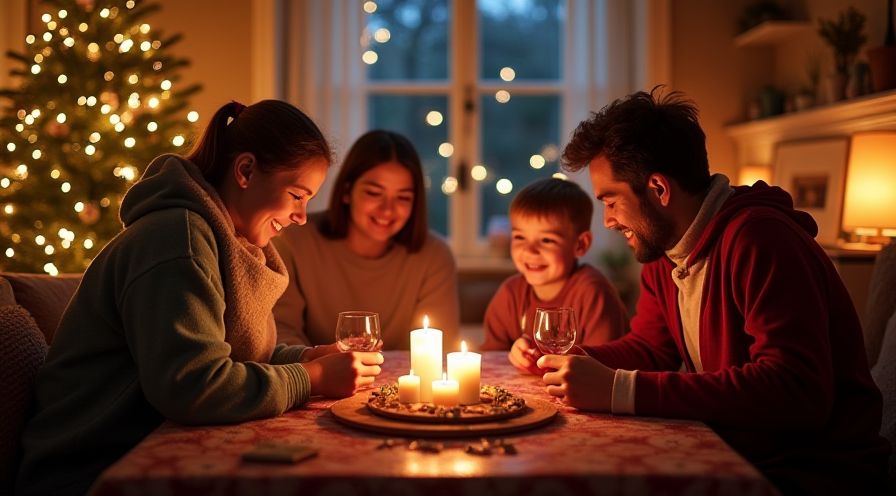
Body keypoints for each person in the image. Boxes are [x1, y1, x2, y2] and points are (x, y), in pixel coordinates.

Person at [16, 100, 383, 496]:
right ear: (245, 171)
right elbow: (194, 386)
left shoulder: (225, 240)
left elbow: (229, 357)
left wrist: (305, 358)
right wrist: (314, 378)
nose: (302, 216)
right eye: (297, 195)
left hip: (144, 449)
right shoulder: (177, 239)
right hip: (90, 469)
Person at [538, 88, 890, 494]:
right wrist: (570, 359)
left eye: (611, 200)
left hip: (812, 471)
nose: (608, 221)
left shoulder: (761, 240)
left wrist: (619, 389)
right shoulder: (665, 250)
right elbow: (654, 350)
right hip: (736, 450)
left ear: (658, 188)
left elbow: (796, 390)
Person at [273, 130, 459, 350]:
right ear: (346, 191)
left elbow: (441, 347)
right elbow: (281, 331)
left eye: (403, 197)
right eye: (373, 193)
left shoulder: (433, 256)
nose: (387, 210)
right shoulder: (294, 240)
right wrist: (318, 369)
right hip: (315, 380)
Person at [480, 178, 628, 375]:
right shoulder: (510, 294)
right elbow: (491, 362)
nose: (530, 250)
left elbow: (603, 372)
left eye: (547, 240)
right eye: (519, 237)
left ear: (580, 245)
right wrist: (513, 356)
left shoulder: (593, 293)